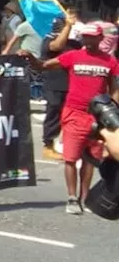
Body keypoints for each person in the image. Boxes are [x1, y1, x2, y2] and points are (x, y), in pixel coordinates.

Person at [21, 22, 119, 215]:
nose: (88, 40)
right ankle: (72, 197)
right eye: (85, 36)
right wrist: (29, 56)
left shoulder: (110, 61)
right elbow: (42, 66)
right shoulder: (72, 56)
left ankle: (85, 198)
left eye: (92, 37)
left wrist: (112, 109)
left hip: (98, 117)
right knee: (71, 158)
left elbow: (114, 88)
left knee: (91, 159)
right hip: (74, 113)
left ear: (100, 38)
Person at [40, 10, 82, 162]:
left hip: (71, 83)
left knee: (69, 115)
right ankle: (48, 144)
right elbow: (56, 46)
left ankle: (68, 144)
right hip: (54, 83)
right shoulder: (49, 38)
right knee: (54, 112)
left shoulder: (75, 42)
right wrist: (68, 27)